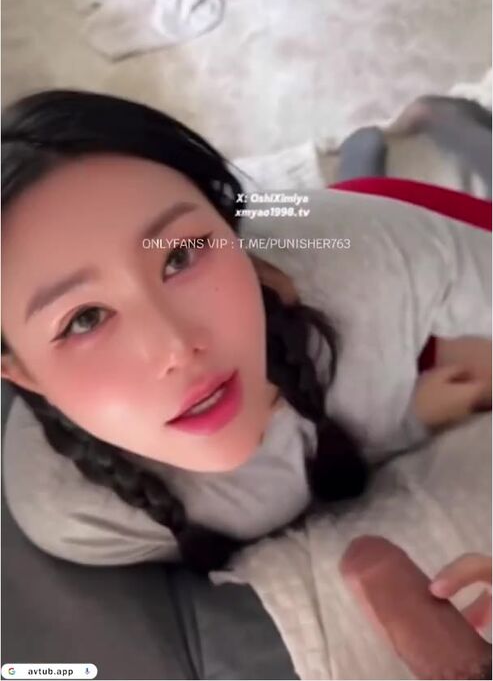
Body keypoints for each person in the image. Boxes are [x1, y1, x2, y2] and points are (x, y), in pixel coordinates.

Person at [1, 90, 491, 574]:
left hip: (360, 232)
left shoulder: (370, 259)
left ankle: (430, 125)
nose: (177, 348)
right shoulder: (69, 509)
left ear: (229, 229)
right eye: (85, 319)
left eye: (180, 256)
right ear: (21, 372)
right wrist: (412, 420)